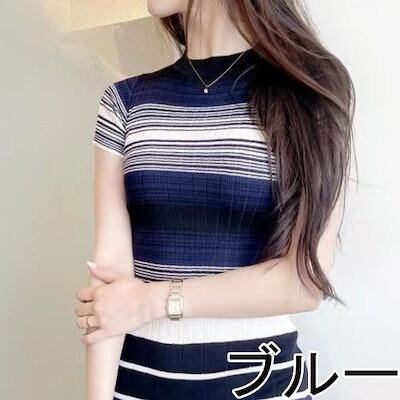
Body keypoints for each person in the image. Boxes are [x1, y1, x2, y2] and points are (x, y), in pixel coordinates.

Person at [74, 1, 354, 399]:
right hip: (136, 385)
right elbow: (108, 280)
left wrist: (151, 300)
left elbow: (304, 281)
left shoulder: (310, 91)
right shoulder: (125, 101)